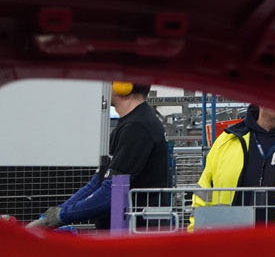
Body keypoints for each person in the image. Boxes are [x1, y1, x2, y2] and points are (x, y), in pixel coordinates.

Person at [30, 81, 172, 231]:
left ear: (123, 86)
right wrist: (52, 216)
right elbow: (97, 182)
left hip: (137, 233)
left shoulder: (138, 127)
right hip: (124, 230)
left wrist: (60, 216)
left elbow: (112, 192)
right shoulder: (129, 123)